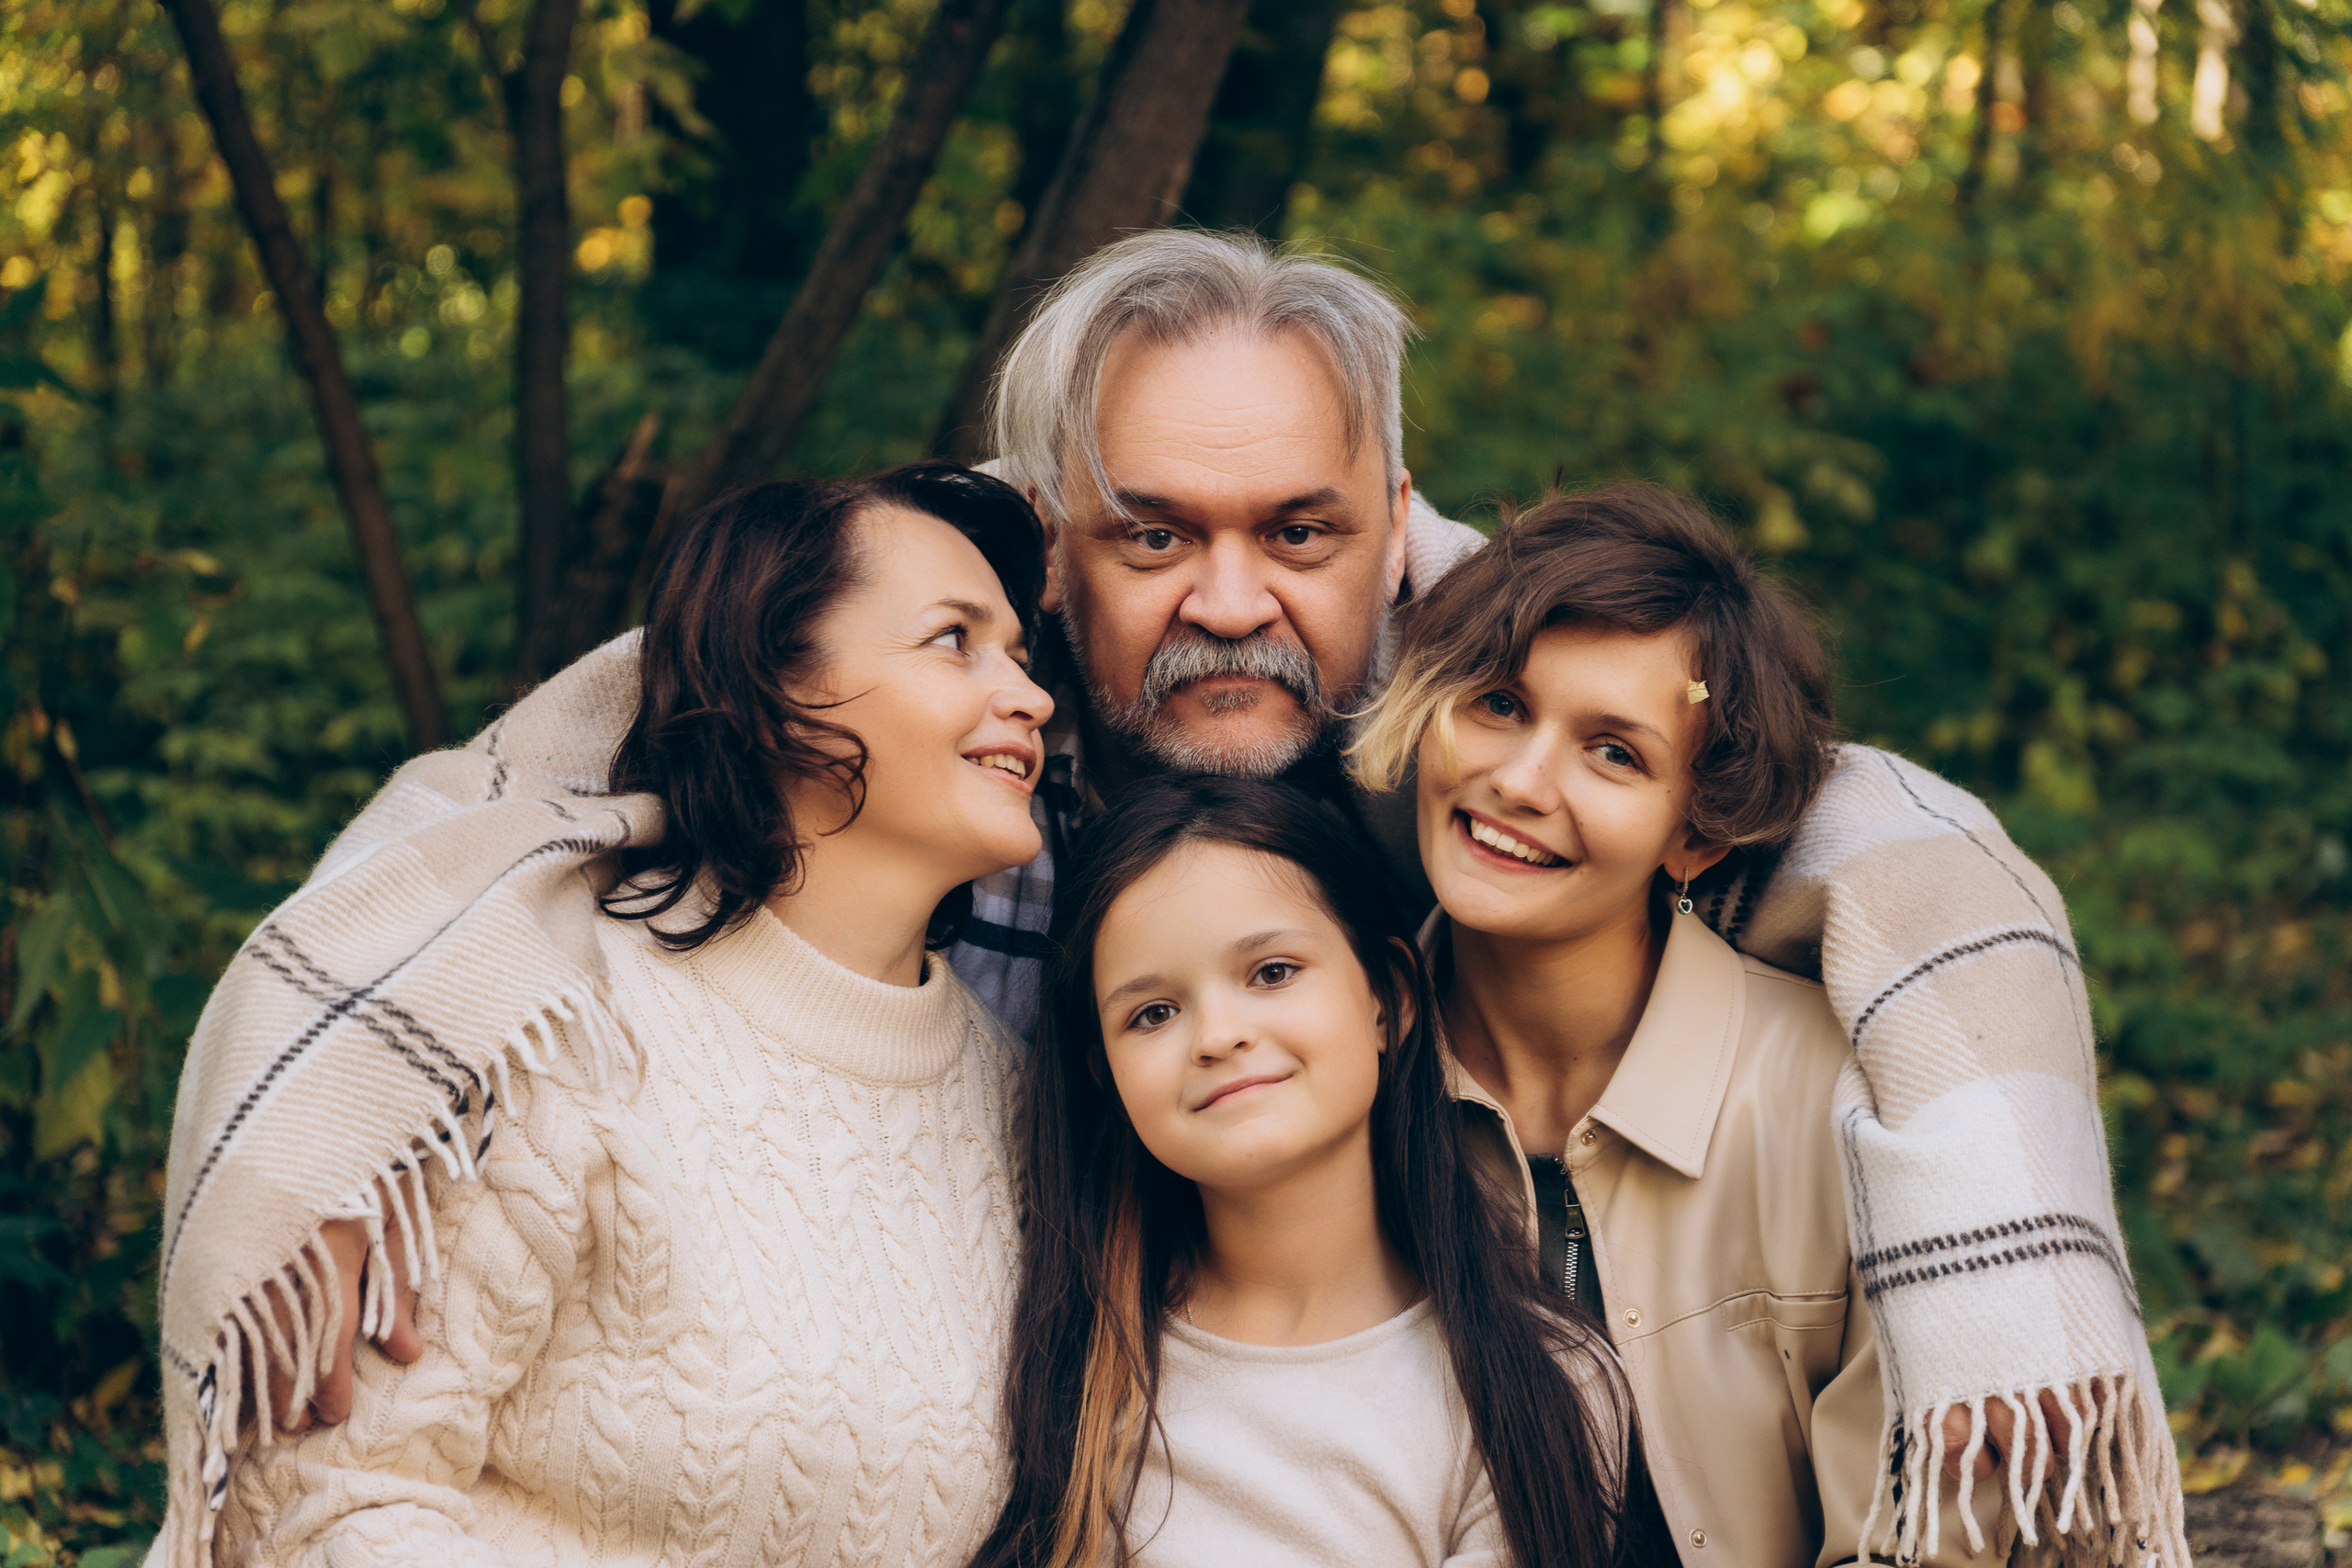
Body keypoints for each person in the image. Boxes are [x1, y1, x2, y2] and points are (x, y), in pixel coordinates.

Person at [176, 229, 2177, 1567]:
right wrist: (346, 1135)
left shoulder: (1471, 758)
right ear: (1054, 546)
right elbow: (501, 821)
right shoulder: (949, 763)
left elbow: (1848, 820)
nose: (1231, 599)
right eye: (1156, 532)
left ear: (1397, 530)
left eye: (1296, 529)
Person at [162, 464, 1055, 1566]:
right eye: (954, 641)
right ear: (779, 688)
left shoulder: (1014, 1103)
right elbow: (322, 1501)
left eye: (1020, 652)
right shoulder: (548, 1027)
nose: (1028, 695)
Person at [1351, 483, 2181, 1568]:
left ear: (1694, 835)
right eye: (1499, 705)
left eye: (1613, 752)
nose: (1518, 781)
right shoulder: (1350, 1070)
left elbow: (1922, 1543)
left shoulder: (1833, 1104)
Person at [971, 775, 1654, 1568]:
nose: (1218, 1034)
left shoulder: (1542, 1382)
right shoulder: (1070, 1361)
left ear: (1387, 1000)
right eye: (1152, 1013)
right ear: (1106, 1076)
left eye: (1272, 972)